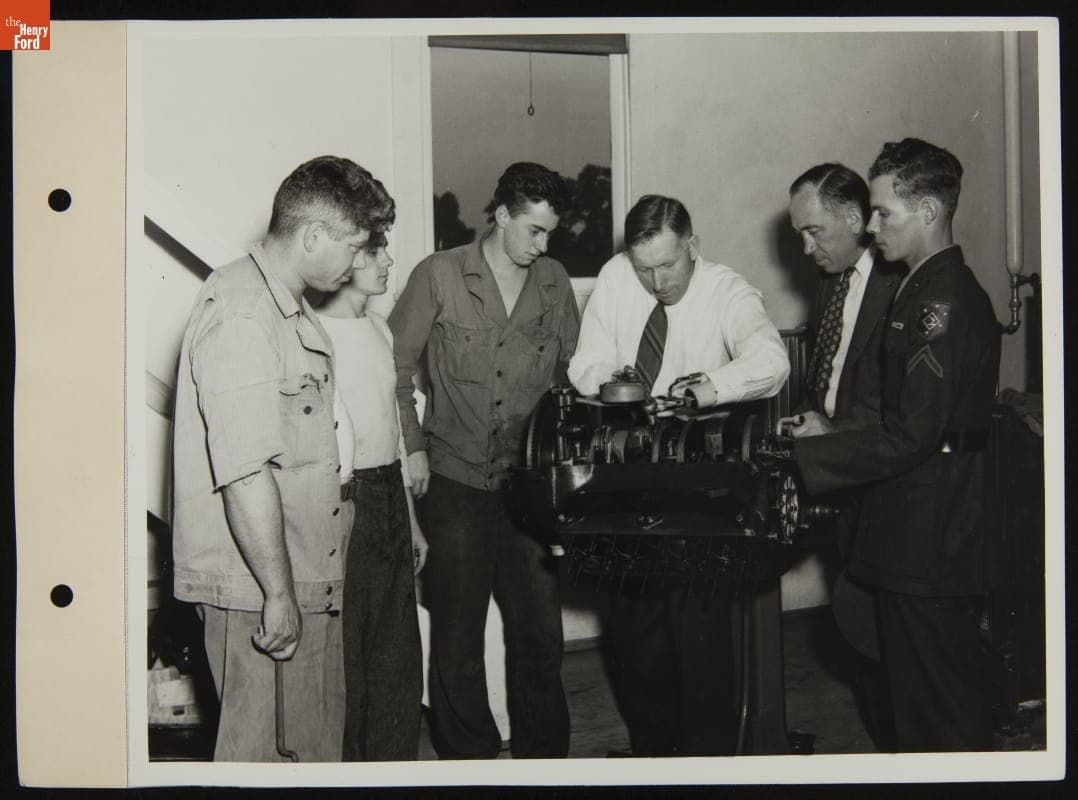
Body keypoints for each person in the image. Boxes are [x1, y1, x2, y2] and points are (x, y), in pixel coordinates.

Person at [171, 156, 395, 761]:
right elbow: (245, 473)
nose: (357, 263)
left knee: (310, 750)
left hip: (300, 573)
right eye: (354, 246)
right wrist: (278, 592)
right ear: (314, 236)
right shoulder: (244, 314)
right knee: (261, 760)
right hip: (259, 587)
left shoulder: (285, 308)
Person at [791, 138, 1001, 751]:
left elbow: (912, 433)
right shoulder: (919, 287)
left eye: (884, 213)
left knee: (940, 712)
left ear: (929, 211)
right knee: (914, 705)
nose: (872, 225)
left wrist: (809, 457)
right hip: (912, 528)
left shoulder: (940, 298)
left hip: (931, 536)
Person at [568, 195, 790, 756]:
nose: (656, 281)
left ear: (692, 246)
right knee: (633, 636)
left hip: (697, 486)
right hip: (626, 478)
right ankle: (655, 758)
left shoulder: (727, 290)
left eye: (667, 265)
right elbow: (584, 361)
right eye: (645, 268)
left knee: (699, 637)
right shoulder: (620, 277)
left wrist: (707, 389)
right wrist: (612, 382)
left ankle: (709, 763)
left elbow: (771, 360)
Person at [388, 162, 580, 759]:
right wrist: (412, 447)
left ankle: (546, 764)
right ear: (500, 216)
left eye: (550, 233)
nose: (543, 246)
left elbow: (571, 379)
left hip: (528, 488)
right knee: (457, 638)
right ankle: (469, 762)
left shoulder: (552, 282)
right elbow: (389, 370)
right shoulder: (439, 276)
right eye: (534, 231)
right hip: (454, 482)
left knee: (540, 636)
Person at [788, 163, 902, 748]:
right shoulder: (832, 278)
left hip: (884, 480)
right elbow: (832, 373)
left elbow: (898, 409)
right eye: (799, 235)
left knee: (887, 645)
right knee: (858, 630)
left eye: (814, 232)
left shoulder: (902, 282)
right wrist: (816, 420)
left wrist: (833, 432)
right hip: (840, 475)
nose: (806, 248)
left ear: (855, 220)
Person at [316, 231, 429, 761]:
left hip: (389, 496)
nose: (389, 260)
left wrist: (412, 520)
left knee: (398, 653)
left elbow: (395, 435)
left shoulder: (380, 330)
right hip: (346, 500)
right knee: (350, 656)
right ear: (347, 261)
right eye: (376, 253)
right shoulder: (315, 333)